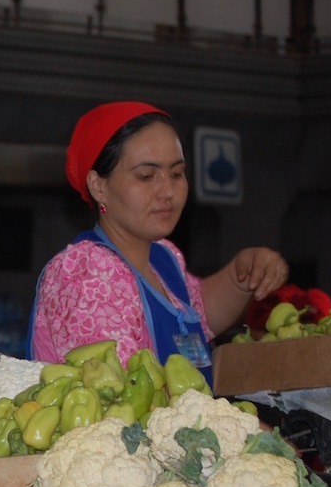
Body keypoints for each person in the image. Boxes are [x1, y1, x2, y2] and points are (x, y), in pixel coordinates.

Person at [28, 101, 290, 381]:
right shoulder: (88, 274)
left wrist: (242, 275)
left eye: (176, 173)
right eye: (146, 176)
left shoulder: (162, 256)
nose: (168, 191)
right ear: (98, 186)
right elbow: (120, 397)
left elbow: (196, 314)